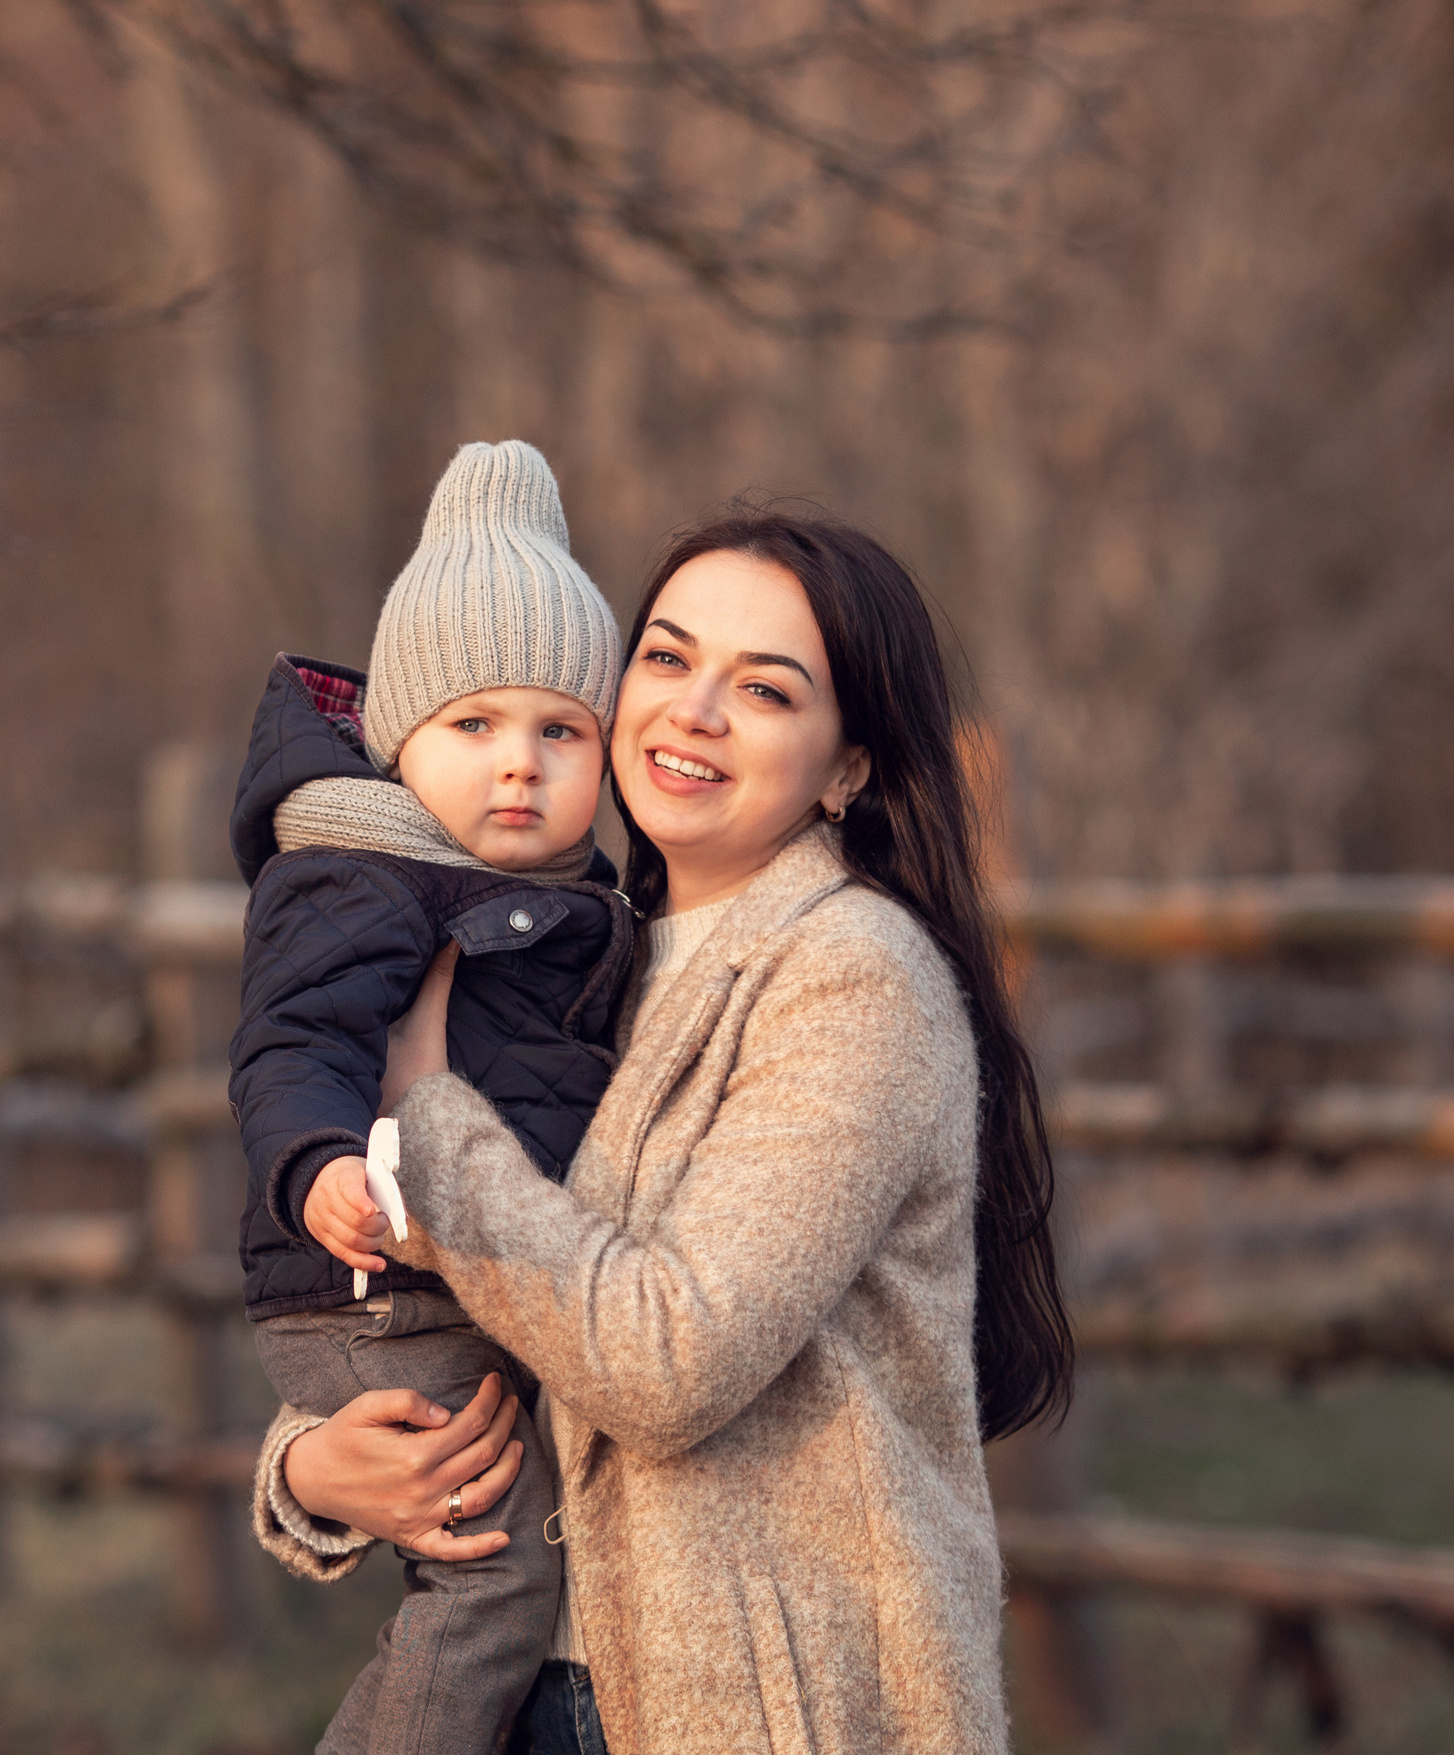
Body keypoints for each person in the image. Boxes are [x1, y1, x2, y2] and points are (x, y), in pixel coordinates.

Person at [252, 508, 1074, 1754]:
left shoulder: (850, 979)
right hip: (534, 1684)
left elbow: (664, 1358)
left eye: (763, 689)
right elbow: (476, 1302)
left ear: (846, 767)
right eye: (669, 658)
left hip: (756, 1714)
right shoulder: (581, 951)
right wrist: (313, 1470)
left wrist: (425, 1119)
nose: (692, 711)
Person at [229, 441, 641, 1755]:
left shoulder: (609, 913)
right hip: (373, 1279)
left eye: (558, 730)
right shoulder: (363, 874)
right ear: (402, 740)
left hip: (459, 1286)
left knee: (495, 1568)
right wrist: (321, 1162)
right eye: (473, 725)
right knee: (492, 1577)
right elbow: (290, 1039)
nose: (517, 764)